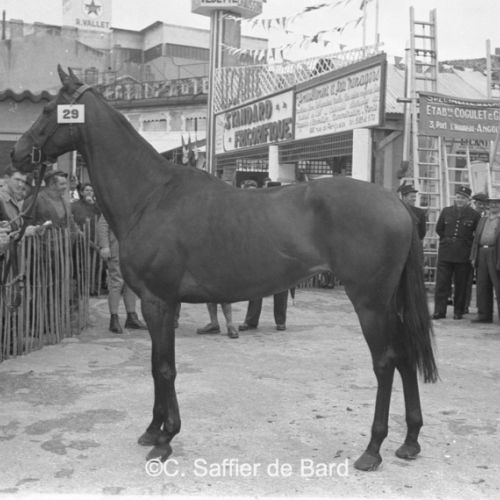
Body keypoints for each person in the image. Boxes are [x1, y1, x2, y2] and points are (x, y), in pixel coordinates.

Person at [238, 180, 289, 332]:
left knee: (281, 287)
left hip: (278, 253)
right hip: (258, 254)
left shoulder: (278, 208)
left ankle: (280, 321)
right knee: (256, 288)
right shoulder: (246, 210)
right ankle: (251, 321)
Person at [432, 186, 480, 320]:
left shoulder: (474, 215)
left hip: (463, 254)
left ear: (468, 200)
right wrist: (447, 241)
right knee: (442, 284)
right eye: (458, 197)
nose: (460, 200)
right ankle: (439, 311)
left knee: (461, 284)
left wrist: (464, 244)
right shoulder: (446, 211)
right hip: (446, 253)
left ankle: (458, 311)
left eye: (463, 198)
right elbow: (439, 229)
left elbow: (477, 234)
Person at [96, 214, 147, 334]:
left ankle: (131, 317)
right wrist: (105, 246)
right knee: (117, 282)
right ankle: (114, 319)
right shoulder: (113, 203)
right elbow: (102, 225)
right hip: (116, 248)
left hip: (132, 250)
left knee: (131, 282)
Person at [470, 197, 500, 323]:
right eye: (492, 203)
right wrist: (473, 256)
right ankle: (484, 315)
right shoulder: (482, 220)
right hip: (482, 252)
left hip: (496, 253)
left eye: (497, 203)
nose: (494, 205)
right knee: (482, 285)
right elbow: (476, 239)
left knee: (498, 285)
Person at [0, 165, 29, 233]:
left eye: (23, 181)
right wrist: (24, 232)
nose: (20, 185)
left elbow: (16, 228)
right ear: (6, 178)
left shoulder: (14, 199)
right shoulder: (1, 198)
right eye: (17, 180)